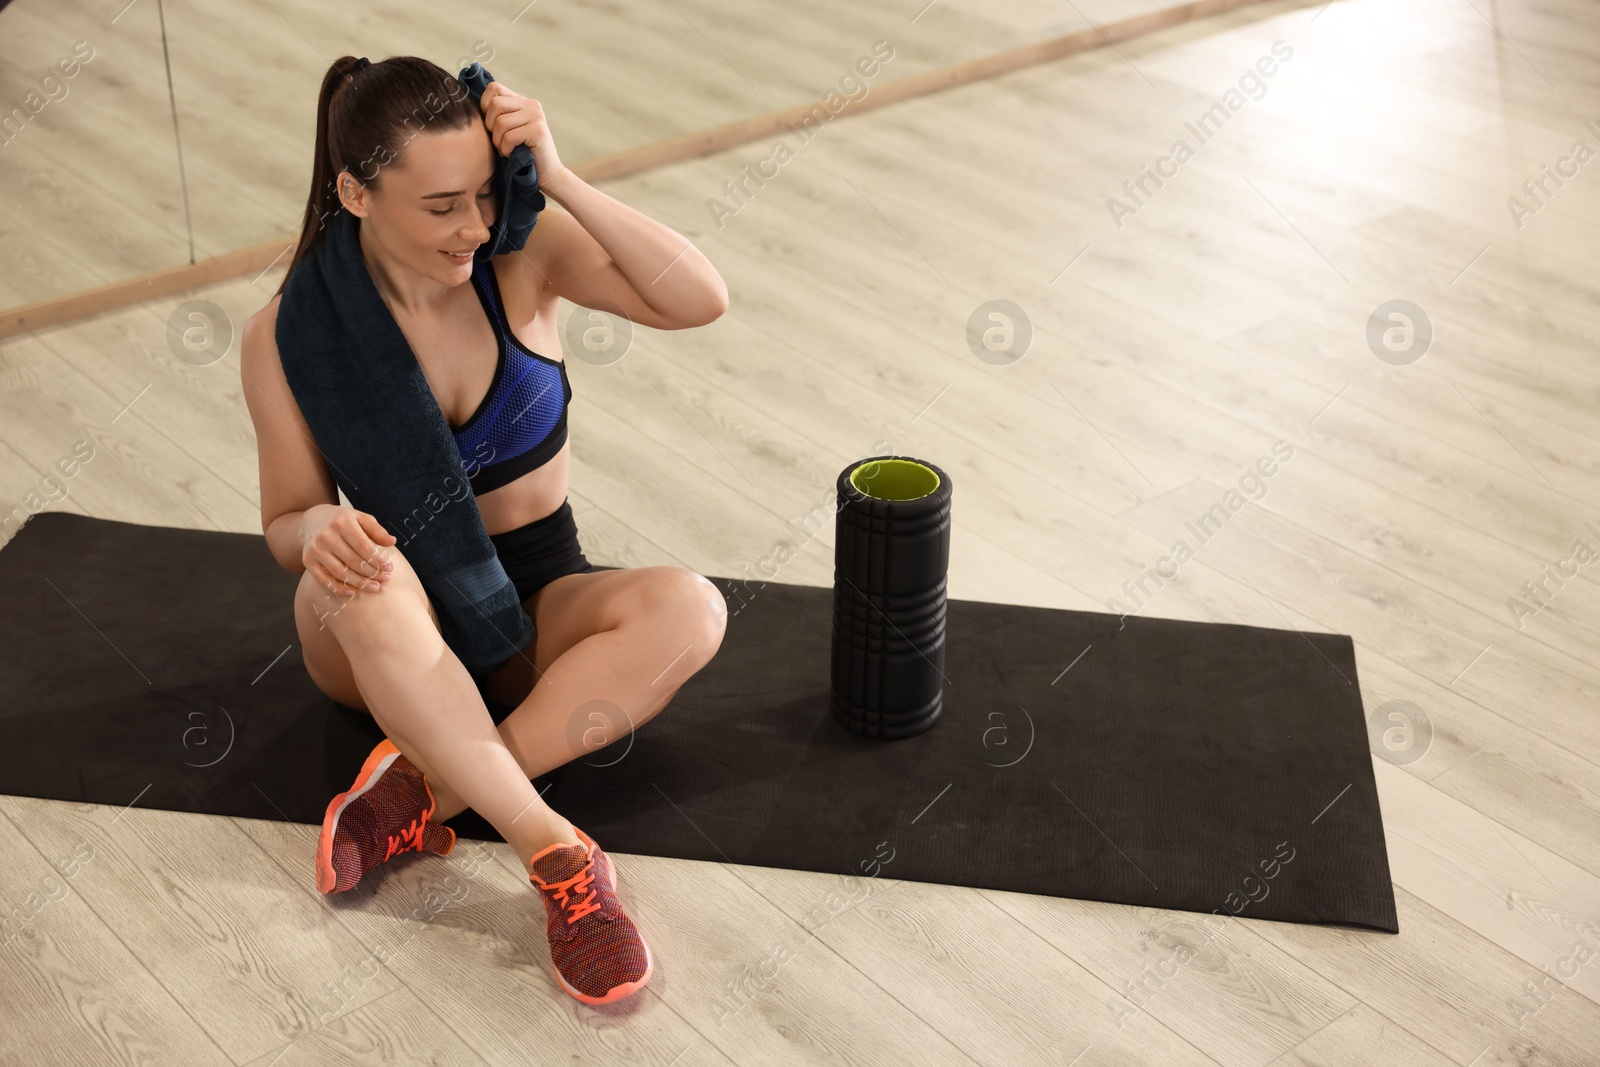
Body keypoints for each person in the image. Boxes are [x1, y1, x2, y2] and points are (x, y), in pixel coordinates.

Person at [240, 54, 730, 1005]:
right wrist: (314, 536)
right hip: (381, 622)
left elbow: (699, 298)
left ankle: (424, 788)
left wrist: (561, 173)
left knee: (692, 609)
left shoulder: (524, 253)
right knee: (365, 571)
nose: (472, 225)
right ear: (355, 192)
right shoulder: (286, 335)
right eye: (438, 207)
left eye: (481, 194)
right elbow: (282, 517)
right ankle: (555, 851)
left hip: (536, 589)